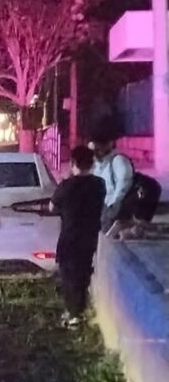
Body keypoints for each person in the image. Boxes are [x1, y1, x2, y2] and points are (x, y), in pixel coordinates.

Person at [50, 146, 106, 327]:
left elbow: (52, 207)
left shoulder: (66, 186)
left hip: (70, 236)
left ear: (73, 163)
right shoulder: (99, 184)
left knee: (69, 275)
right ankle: (78, 310)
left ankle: (73, 314)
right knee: (83, 272)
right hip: (90, 235)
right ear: (92, 163)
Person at [91, 133, 162, 239]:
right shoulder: (97, 164)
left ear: (109, 144)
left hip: (119, 203)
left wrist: (113, 208)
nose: (96, 153)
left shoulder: (119, 160)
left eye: (98, 148)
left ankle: (131, 224)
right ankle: (133, 227)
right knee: (104, 229)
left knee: (108, 231)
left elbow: (123, 188)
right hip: (107, 204)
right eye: (93, 150)